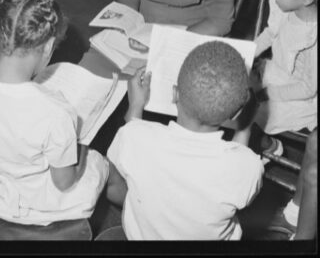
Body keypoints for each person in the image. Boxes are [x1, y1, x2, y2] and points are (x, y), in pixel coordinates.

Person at [0, 0, 117, 225]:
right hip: (35, 204)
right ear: (47, 47)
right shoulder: (56, 113)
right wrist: (82, 146)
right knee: (102, 164)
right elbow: (64, 182)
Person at [106, 41, 264, 240]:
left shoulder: (134, 136)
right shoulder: (249, 166)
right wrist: (246, 123)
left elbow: (132, 136)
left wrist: (136, 105)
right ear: (238, 112)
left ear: (175, 93)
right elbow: (239, 165)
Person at [248, 0, 317, 157]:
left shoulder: (312, 38)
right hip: (275, 72)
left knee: (248, 112)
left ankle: (268, 146)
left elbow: (307, 88)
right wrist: (248, 52)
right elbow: (270, 33)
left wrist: (267, 94)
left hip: (297, 98)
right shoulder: (285, 7)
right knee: (233, 89)